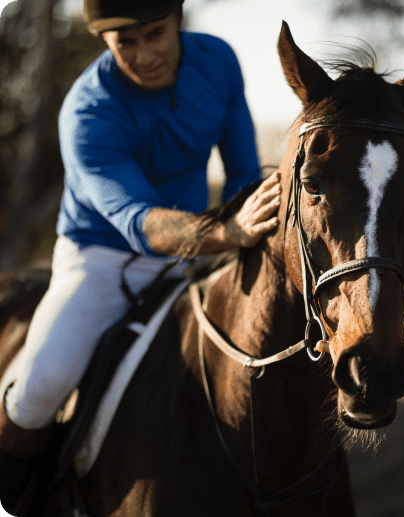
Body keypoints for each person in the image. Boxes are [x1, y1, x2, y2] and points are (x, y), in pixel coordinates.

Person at [0, 0, 281, 512]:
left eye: (155, 34)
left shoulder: (218, 60)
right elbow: (139, 221)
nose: (144, 54)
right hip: (100, 259)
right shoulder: (88, 110)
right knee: (38, 388)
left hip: (197, 253)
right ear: (104, 42)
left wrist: (259, 216)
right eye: (124, 42)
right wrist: (231, 228)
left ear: (178, 21)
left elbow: (243, 174)